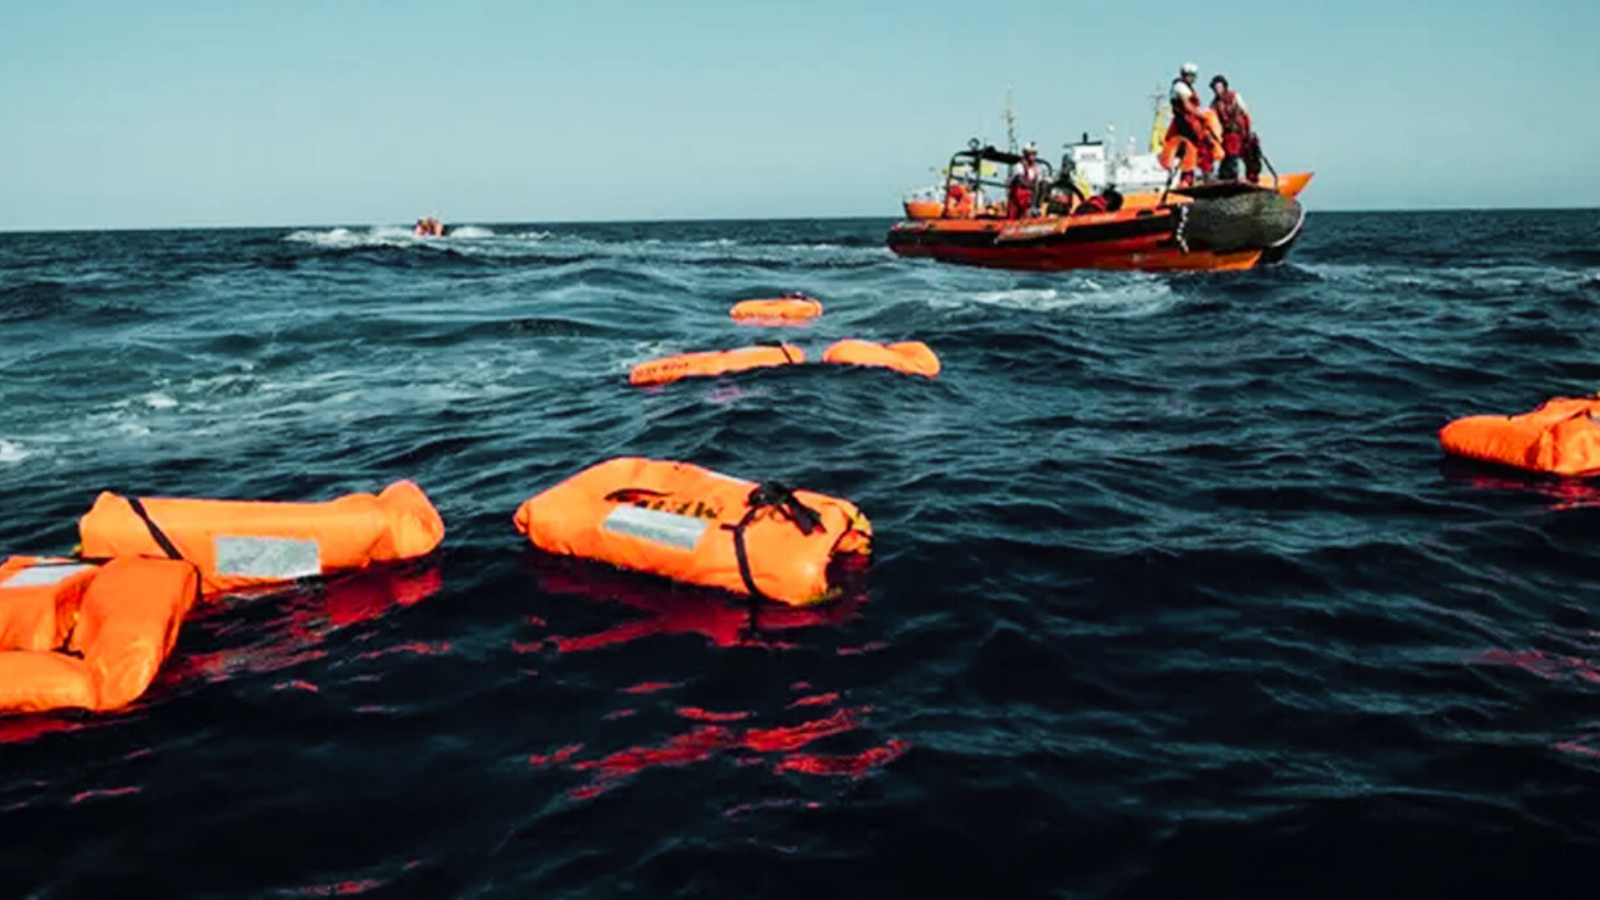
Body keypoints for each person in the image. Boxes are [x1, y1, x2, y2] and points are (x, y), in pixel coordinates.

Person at [1164, 62, 1215, 185]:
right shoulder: (1180, 87)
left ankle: (1190, 178)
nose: (1191, 78)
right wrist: (1202, 116)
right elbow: (1187, 106)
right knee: (1201, 144)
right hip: (1186, 122)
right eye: (1188, 75)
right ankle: (1204, 175)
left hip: (1190, 121)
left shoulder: (1187, 88)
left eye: (1193, 76)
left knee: (1193, 150)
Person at [1210, 75, 1261, 182]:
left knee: (1248, 154)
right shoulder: (1214, 104)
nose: (1217, 90)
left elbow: (1245, 112)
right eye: (1215, 88)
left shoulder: (1234, 97)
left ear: (1224, 87)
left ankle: (1248, 177)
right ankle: (1229, 176)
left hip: (1239, 131)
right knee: (1229, 154)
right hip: (1226, 134)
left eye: (1219, 87)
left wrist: (1248, 130)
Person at [1007, 143, 1043, 219]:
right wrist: (1032, 186)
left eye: (1034, 153)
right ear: (1025, 154)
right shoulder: (1019, 166)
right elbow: (1019, 180)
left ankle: (1036, 208)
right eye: (1030, 153)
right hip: (1019, 199)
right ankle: (1032, 208)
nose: (1032, 156)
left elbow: (1039, 180)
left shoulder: (1036, 169)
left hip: (1030, 198)